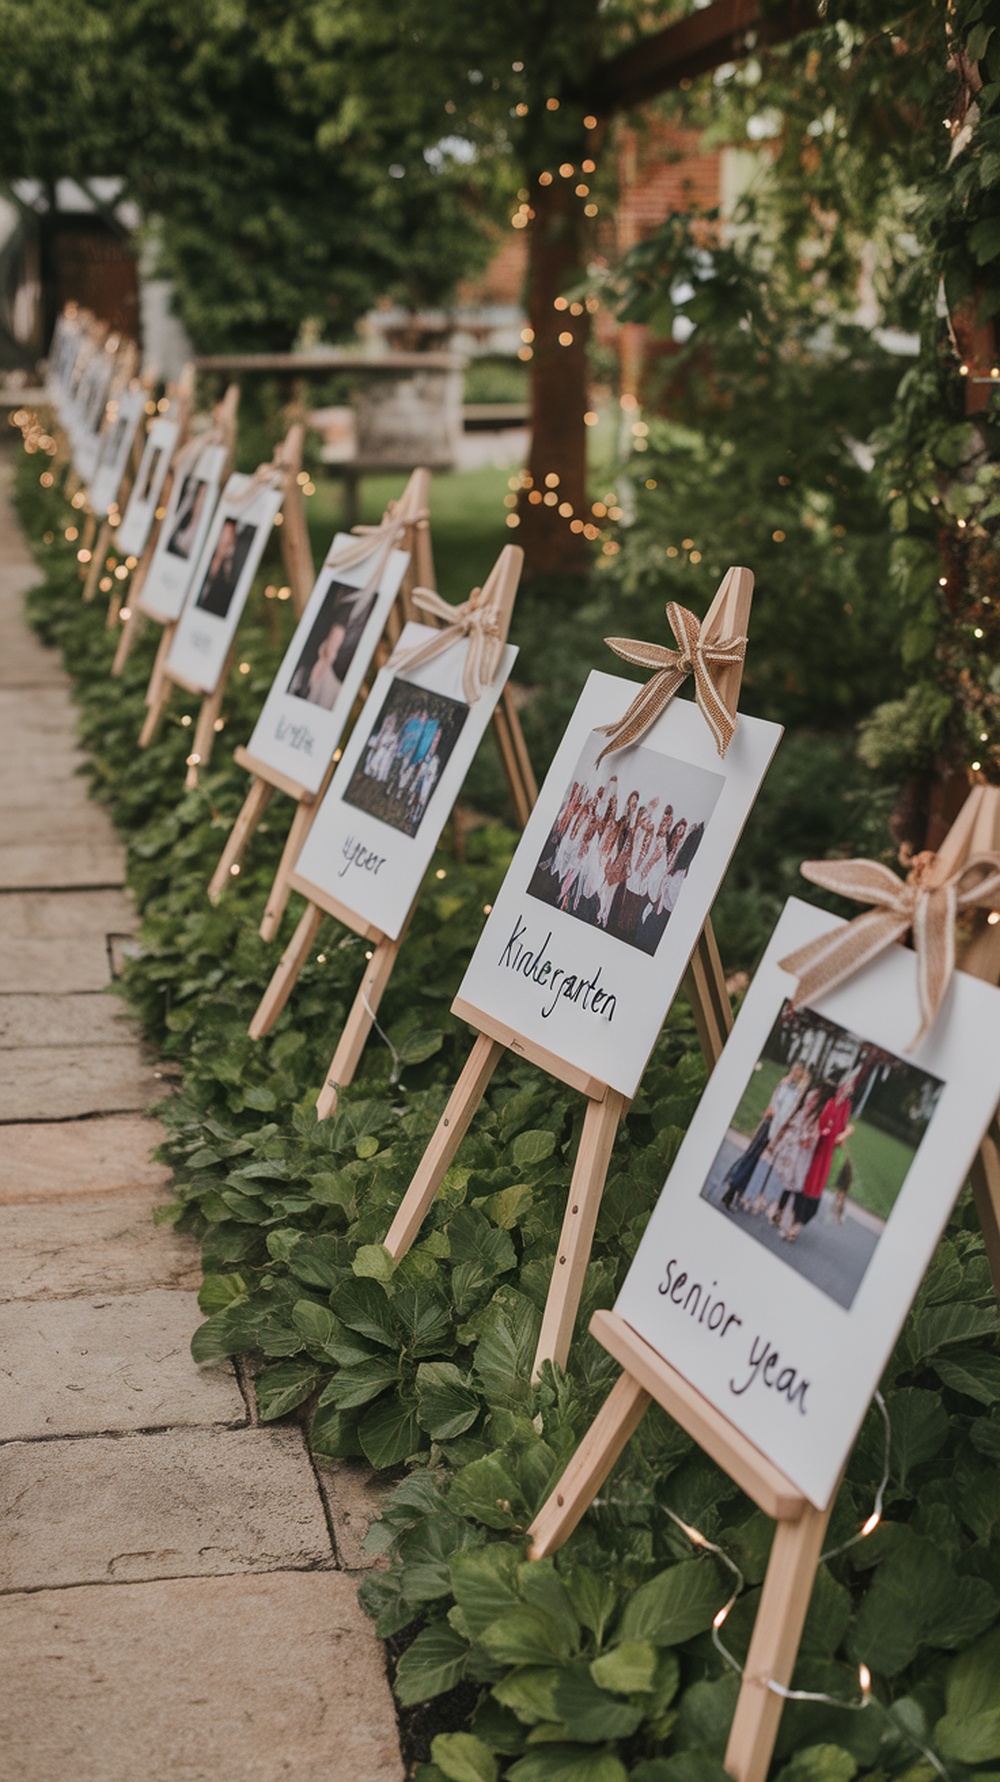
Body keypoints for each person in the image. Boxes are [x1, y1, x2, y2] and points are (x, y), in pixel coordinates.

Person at [784, 1075, 856, 1242]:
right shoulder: (830, 1103)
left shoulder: (846, 1107)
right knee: (805, 1184)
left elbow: (841, 1131)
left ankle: (797, 1225)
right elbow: (821, 1124)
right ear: (840, 1087)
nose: (846, 1091)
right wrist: (822, 1133)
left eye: (849, 1089)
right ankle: (792, 1221)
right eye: (845, 1087)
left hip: (828, 1152)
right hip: (816, 1148)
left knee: (815, 1188)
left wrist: (845, 1133)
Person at [766, 1086, 822, 1233]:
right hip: (792, 1153)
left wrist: (807, 1139)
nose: (809, 1103)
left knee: (796, 1185)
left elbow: (813, 1138)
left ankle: (788, 1216)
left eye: (813, 1101)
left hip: (802, 1157)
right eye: (809, 1100)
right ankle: (778, 1210)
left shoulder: (814, 1120)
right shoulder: (801, 1114)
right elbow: (790, 1127)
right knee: (787, 1183)